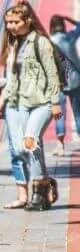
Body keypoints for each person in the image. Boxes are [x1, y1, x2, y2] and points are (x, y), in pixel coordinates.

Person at [0, 1, 61, 211]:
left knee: (30, 141)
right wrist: (2, 99)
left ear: (27, 21)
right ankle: (44, 184)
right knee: (24, 147)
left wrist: (55, 102)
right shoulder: (14, 44)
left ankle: (39, 193)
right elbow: (13, 77)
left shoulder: (41, 43)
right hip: (20, 101)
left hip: (41, 102)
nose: (10, 26)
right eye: (8, 23)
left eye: (15, 22)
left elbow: (52, 73)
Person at [48, 15, 80, 154]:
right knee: (78, 113)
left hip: (58, 82)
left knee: (59, 114)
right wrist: (69, 18)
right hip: (75, 80)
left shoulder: (49, 41)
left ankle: (60, 145)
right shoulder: (70, 37)